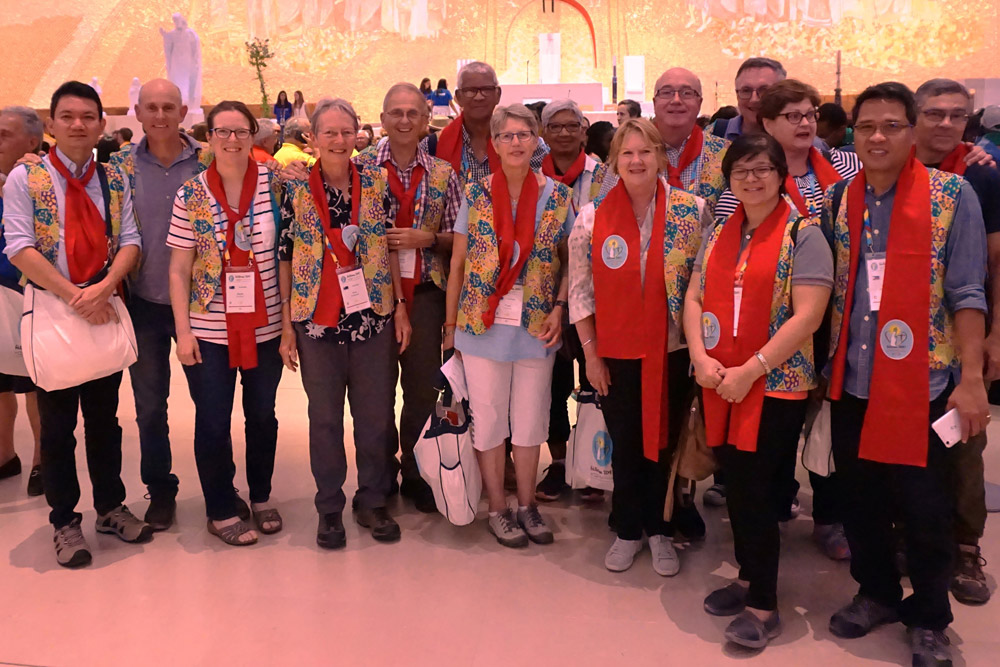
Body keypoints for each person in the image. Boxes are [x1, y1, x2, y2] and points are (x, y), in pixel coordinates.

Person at [823, 82, 989, 667]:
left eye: (891, 125)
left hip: (927, 382)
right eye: (866, 125)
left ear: (913, 129)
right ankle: (876, 594)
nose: (876, 137)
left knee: (925, 508)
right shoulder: (840, 199)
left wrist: (973, 380)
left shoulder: (952, 196)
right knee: (861, 500)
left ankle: (931, 617)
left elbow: (969, 291)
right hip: (854, 381)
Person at [684, 133, 833, 649]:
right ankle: (747, 576)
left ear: (779, 174)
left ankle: (763, 606)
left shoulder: (804, 233)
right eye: (741, 170)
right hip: (721, 380)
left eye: (762, 168)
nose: (752, 178)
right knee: (737, 486)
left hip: (774, 385)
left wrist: (754, 366)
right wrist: (701, 358)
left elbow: (809, 314)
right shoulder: (722, 231)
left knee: (758, 491)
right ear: (729, 179)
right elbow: (694, 296)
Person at [2, 81, 150, 567]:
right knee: (58, 426)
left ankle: (109, 506)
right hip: (53, 308)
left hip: (101, 304)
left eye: (88, 116)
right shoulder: (27, 180)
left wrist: (104, 289)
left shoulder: (113, 179)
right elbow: (19, 245)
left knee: (105, 422)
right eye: (67, 116)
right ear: (50, 125)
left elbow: (129, 239)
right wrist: (75, 296)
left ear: (101, 125)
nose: (78, 125)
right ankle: (65, 520)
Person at [569, 118, 711, 574]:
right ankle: (628, 529)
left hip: (673, 352)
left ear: (660, 157)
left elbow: (703, 286)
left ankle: (661, 529)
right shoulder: (591, 218)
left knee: (666, 444)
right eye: (627, 153)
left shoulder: (693, 212)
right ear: (614, 162)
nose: (636, 161)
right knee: (626, 443)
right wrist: (591, 356)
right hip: (616, 353)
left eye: (645, 152)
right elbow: (580, 293)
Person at [278, 97, 410, 548]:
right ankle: (329, 506)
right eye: (328, 133)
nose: (338, 140)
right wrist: (284, 327)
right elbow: (286, 258)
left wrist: (400, 309)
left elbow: (389, 247)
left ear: (359, 136)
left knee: (375, 416)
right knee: (325, 419)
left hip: (372, 318)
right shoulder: (294, 188)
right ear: (311, 139)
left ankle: (372, 500)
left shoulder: (376, 183)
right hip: (316, 323)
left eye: (345, 132)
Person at [443, 103, 572, 548]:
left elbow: (569, 262)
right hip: (482, 325)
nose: (516, 142)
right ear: (493, 144)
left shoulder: (558, 196)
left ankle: (527, 504)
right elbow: (458, 262)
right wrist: (449, 326)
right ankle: (497, 507)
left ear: (537, 140)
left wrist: (560, 306)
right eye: (507, 135)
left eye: (524, 134)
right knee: (491, 419)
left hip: (537, 324)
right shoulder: (475, 193)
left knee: (532, 419)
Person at [168, 101, 285, 547]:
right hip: (209, 330)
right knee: (214, 421)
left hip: (267, 326)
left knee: (262, 417)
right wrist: (183, 331)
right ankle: (219, 507)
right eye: (223, 132)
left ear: (254, 135)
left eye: (241, 132)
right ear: (209, 137)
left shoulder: (277, 187)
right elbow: (179, 269)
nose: (232, 140)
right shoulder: (191, 194)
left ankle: (260, 496)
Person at [108, 78, 213, 531]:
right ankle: (161, 490)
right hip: (145, 303)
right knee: (150, 406)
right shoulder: (119, 167)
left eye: (169, 106)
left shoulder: (208, 160)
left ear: (184, 110)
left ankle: (218, 490)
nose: (160, 115)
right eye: (151, 107)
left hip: (204, 305)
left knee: (210, 402)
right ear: (137, 111)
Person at [353, 83, 461, 514]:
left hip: (426, 295)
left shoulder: (443, 174)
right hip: (370, 297)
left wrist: (428, 238)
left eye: (412, 113)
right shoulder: (359, 168)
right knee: (374, 393)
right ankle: (378, 475)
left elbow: (461, 239)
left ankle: (416, 472)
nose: (403, 120)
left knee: (420, 390)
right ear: (381, 119)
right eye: (394, 112)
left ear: (425, 121)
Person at [914, 77, 1000, 607]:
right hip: (900, 341)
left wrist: (994, 337)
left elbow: (995, 263)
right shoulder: (885, 171)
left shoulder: (980, 176)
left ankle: (966, 546)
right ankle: (914, 536)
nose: (946, 124)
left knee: (963, 441)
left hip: (962, 337)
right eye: (934, 114)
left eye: (957, 115)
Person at [534, 99, 608, 502]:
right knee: (552, 386)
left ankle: (596, 464)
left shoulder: (605, 176)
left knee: (595, 382)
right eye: (555, 127)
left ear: (584, 131)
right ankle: (560, 464)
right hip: (543, 300)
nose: (563, 133)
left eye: (571, 126)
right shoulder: (531, 176)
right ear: (543, 134)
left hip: (596, 301)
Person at [599, 68, 729, 218]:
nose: (676, 100)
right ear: (654, 103)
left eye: (686, 93)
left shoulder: (724, 153)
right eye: (667, 93)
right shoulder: (628, 152)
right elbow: (604, 211)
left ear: (699, 103)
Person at [0, 105, 45, 497]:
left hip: (26, 294)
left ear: (31, 141)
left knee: (34, 384)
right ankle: (4, 455)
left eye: (3, 135)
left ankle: (42, 461)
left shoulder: (41, 180)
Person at [421, 61, 546, 187]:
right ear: (458, 97)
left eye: (486, 89)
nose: (479, 97)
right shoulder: (431, 147)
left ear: (498, 94)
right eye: (470, 90)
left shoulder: (527, 144)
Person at [712, 57, 786, 140]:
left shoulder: (795, 138)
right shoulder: (715, 134)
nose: (754, 99)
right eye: (746, 90)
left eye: (764, 90)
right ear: (737, 95)